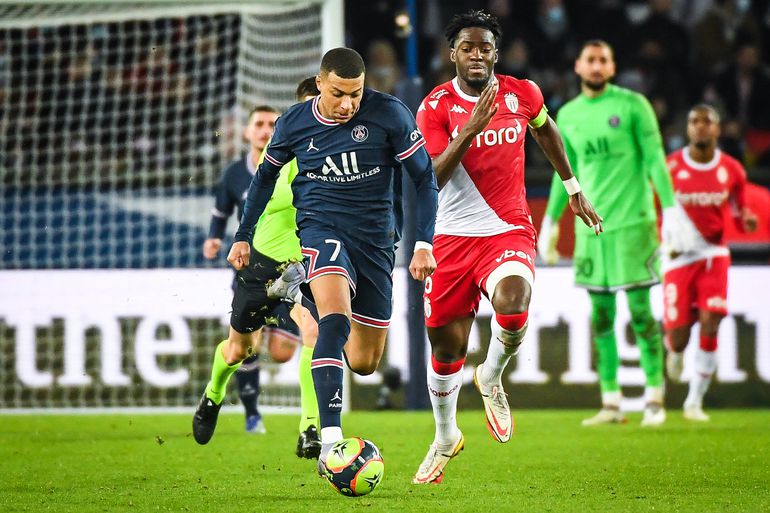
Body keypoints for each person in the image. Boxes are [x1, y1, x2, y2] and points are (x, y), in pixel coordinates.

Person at [220, 47, 438, 471]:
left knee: (364, 362)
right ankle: (330, 442)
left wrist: (424, 243)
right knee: (333, 322)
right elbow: (264, 178)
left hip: (375, 241)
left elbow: (424, 177)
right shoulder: (293, 123)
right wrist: (242, 236)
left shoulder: (389, 114)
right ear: (319, 84)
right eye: (338, 93)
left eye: (355, 94)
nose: (347, 104)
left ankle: (303, 292)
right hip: (322, 230)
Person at [412, 10, 603, 485]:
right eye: (467, 48)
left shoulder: (522, 93)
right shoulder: (434, 106)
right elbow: (431, 178)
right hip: (450, 237)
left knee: (514, 304)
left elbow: (545, 129)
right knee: (447, 350)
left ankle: (492, 374)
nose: (476, 55)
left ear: (496, 54)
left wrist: (573, 186)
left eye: (485, 48)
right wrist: (469, 129)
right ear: (452, 54)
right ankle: (445, 436)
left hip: (507, 228)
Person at [539, 40, 698, 427]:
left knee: (642, 314)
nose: (596, 66)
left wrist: (670, 208)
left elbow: (655, 159)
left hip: (633, 225)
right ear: (578, 66)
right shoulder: (568, 114)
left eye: (603, 60)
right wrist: (551, 222)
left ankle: (655, 398)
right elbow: (566, 173)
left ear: (612, 67)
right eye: (590, 60)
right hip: (592, 229)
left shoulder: (633, 106)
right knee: (601, 315)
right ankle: (611, 402)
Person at [194, 79, 324, 459]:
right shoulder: (281, 152)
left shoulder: (340, 155)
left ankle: (309, 428)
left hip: (305, 264)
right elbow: (271, 199)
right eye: (312, 107)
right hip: (264, 263)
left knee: (314, 333)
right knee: (241, 350)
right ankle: (214, 392)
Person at [663, 104, 756, 421]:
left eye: (707, 121)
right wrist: (664, 240)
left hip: (713, 254)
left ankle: (694, 402)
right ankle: (675, 351)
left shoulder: (732, 169)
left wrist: (747, 220)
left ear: (718, 129)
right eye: (694, 121)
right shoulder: (670, 167)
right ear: (687, 128)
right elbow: (656, 210)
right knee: (679, 338)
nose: (700, 126)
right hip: (678, 259)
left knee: (710, 322)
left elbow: (740, 212)